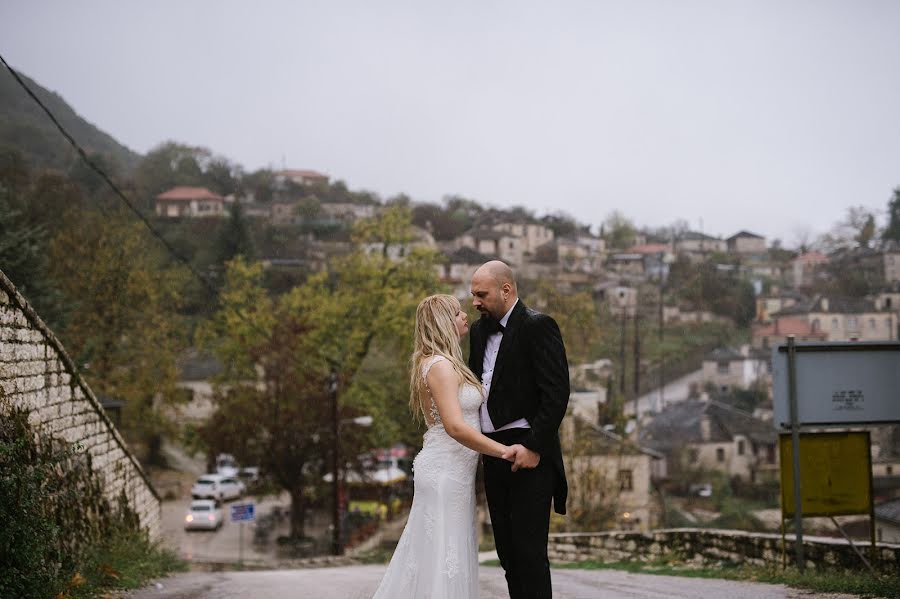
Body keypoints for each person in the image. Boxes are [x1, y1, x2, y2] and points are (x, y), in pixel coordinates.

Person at [372, 294, 519, 599]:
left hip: (455, 473)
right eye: (456, 313)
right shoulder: (439, 365)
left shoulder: (444, 363)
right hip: (445, 473)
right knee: (443, 556)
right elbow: (454, 426)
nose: (465, 316)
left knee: (445, 553)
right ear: (442, 322)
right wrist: (504, 451)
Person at [469, 260, 569, 599]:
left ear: (506, 289)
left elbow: (556, 394)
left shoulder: (538, 326)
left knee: (529, 554)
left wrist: (533, 446)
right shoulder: (478, 331)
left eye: (481, 294)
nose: (475, 302)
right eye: (473, 295)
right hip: (493, 453)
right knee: (508, 554)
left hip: (530, 452)